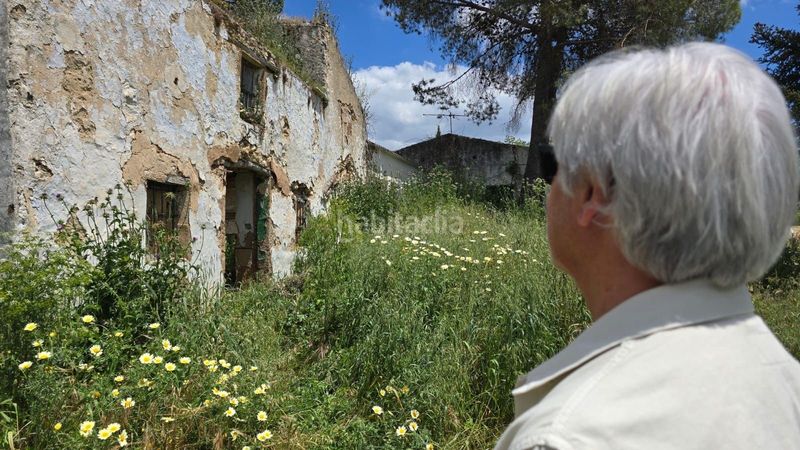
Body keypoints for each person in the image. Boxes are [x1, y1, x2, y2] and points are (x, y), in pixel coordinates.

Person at [495, 42, 800, 450]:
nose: (548, 184)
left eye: (553, 163)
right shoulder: (786, 381)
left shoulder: (570, 435)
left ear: (592, 193)